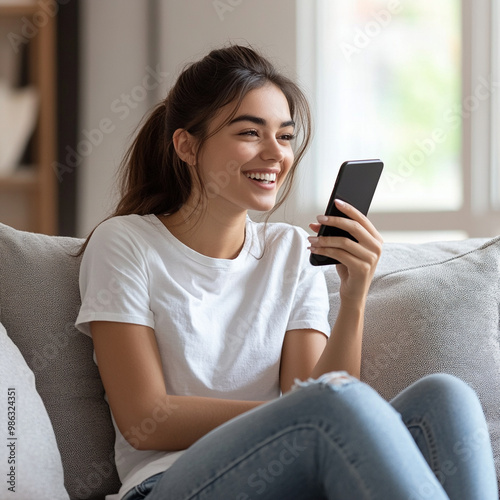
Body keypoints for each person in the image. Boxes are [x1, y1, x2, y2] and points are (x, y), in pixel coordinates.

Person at [75, 44, 498, 500]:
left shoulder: (289, 249)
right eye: (250, 133)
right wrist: (295, 415)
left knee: (446, 395)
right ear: (187, 146)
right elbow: (143, 419)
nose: (274, 154)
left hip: (289, 473)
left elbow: (314, 392)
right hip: (168, 484)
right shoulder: (125, 243)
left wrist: (354, 297)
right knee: (330, 402)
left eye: (284, 136)